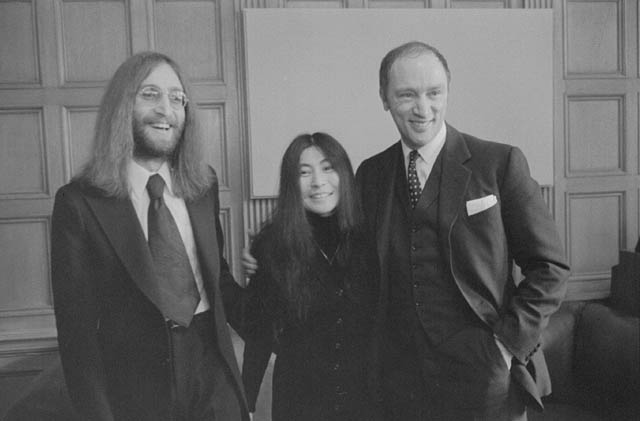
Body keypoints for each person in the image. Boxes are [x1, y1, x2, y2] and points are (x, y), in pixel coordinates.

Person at [354, 41, 570, 420]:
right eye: (407, 95)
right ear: (384, 98)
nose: (423, 109)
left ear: (447, 92)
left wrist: (505, 348)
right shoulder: (371, 175)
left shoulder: (498, 164)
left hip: (484, 374)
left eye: (434, 93)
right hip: (399, 382)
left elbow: (550, 267)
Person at [51, 51, 248, 421]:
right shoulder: (79, 202)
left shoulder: (202, 185)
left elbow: (217, 280)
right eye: (150, 94)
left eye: (177, 98)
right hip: (136, 388)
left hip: (213, 373)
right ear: (123, 105)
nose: (166, 109)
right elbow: (77, 337)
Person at [224, 133, 380, 421]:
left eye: (328, 168)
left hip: (366, 397)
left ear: (344, 173)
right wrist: (248, 401)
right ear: (290, 184)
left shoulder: (370, 234)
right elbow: (259, 330)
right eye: (303, 173)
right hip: (301, 399)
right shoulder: (272, 243)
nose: (318, 182)